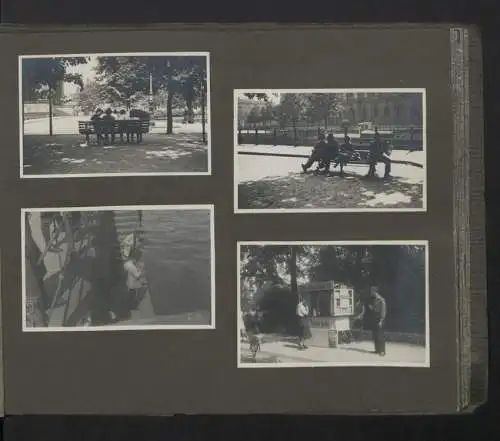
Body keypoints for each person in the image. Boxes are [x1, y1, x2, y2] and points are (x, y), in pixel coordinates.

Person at [355, 286, 387, 355]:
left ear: (375, 292)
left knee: (380, 335)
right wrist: (371, 308)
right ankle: (377, 349)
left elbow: (383, 312)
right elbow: (375, 309)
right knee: (375, 335)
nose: (371, 293)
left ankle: (382, 351)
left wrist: (381, 321)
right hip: (374, 319)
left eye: (372, 292)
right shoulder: (374, 300)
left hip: (380, 319)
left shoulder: (382, 300)